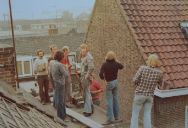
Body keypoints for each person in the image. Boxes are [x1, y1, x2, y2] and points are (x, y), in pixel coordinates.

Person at [130, 54, 163, 128]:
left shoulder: (142, 68)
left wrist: (139, 83)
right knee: (147, 114)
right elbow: (160, 84)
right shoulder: (159, 73)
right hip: (150, 96)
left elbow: (134, 80)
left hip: (139, 94)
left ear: (149, 60)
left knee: (135, 114)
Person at [99, 51, 124, 124]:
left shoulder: (105, 64)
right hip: (115, 82)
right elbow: (122, 66)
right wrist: (116, 60)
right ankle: (116, 117)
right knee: (116, 100)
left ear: (107, 56)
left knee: (109, 101)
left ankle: (110, 119)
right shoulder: (116, 64)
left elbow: (100, 74)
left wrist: (104, 80)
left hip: (109, 83)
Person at [50, 50, 69, 120]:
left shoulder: (52, 63)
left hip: (56, 83)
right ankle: (61, 116)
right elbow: (66, 75)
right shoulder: (60, 65)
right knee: (61, 101)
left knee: (59, 100)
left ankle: (63, 115)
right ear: (61, 57)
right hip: (61, 84)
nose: (64, 58)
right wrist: (66, 68)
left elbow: (50, 75)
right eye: (63, 57)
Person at [80, 43, 94, 117]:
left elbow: (91, 67)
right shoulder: (86, 56)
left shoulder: (88, 56)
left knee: (86, 93)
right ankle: (90, 108)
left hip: (85, 77)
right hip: (84, 76)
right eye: (81, 49)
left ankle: (88, 111)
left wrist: (86, 76)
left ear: (86, 49)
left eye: (83, 49)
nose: (82, 50)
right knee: (87, 92)